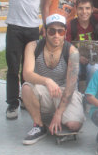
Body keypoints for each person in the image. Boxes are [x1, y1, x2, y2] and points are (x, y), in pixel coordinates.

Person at [21, 14, 85, 145]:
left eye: (60, 31)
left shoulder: (72, 52)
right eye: (51, 31)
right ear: (44, 32)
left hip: (64, 91)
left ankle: (55, 114)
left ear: (65, 33)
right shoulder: (33, 46)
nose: (56, 35)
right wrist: (47, 81)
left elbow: (71, 86)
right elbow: (26, 74)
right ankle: (38, 125)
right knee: (26, 87)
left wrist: (59, 113)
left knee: (74, 125)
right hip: (43, 90)